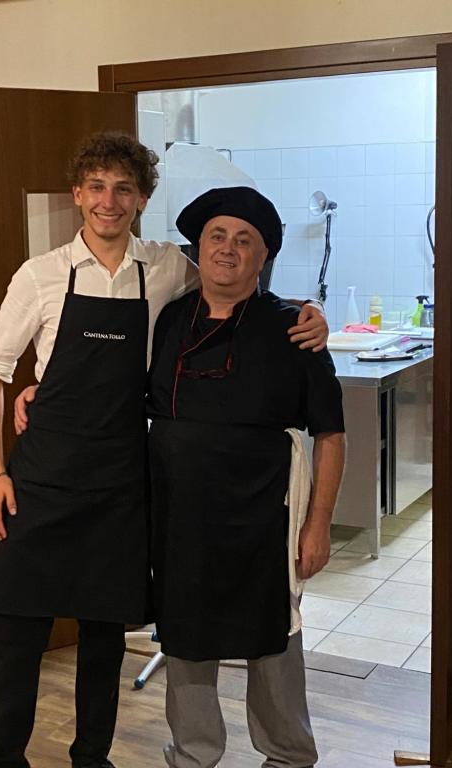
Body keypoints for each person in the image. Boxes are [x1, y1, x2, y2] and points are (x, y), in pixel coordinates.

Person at [0, 132, 328, 768]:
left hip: (119, 484)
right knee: (19, 629)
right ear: (77, 193)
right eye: (97, 187)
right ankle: (2, 758)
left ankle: (92, 758)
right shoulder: (41, 274)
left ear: (141, 200)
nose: (108, 201)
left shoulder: (165, 268)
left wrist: (309, 310)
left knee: (104, 636)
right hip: (43, 478)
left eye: (124, 189)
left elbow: (236, 283)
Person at [146, 187, 346, 768]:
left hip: (263, 517)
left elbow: (331, 434)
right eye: (217, 236)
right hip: (179, 516)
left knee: (273, 637)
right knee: (185, 637)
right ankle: (193, 755)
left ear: (263, 258)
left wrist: (319, 526)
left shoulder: (293, 329)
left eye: (244, 240)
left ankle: (288, 755)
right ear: (199, 248)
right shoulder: (169, 318)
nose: (227, 249)